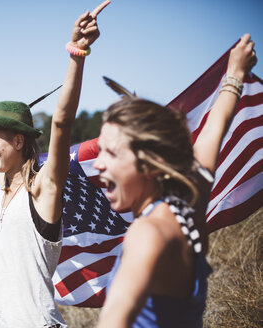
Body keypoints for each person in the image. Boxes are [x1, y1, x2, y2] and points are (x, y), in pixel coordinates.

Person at [0, 2, 111, 327]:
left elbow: (62, 123)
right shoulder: (1, 184)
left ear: (19, 141)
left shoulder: (43, 188)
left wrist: (76, 53)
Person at [93, 34, 257, 328]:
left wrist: (235, 74)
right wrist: (234, 74)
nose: (98, 163)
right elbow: (214, 129)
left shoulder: (147, 232)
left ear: (153, 166)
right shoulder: (190, 205)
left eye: (112, 153)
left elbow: (114, 319)